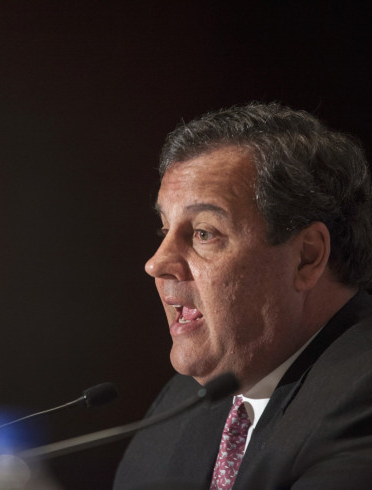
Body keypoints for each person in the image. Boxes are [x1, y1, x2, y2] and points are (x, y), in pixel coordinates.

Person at [113, 102, 372, 489]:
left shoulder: (361, 397)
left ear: (307, 257)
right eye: (163, 230)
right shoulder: (182, 403)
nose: (157, 263)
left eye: (204, 233)